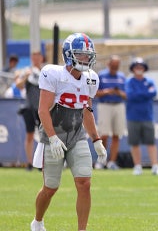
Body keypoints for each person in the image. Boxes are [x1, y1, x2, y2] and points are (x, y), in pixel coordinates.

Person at [30, 33, 107, 231]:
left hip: (76, 135)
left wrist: (96, 139)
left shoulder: (91, 79)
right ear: (69, 55)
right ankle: (37, 221)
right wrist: (53, 138)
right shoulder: (53, 74)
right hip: (52, 134)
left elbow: (87, 109)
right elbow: (42, 110)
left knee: (84, 183)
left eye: (87, 55)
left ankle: (82, 229)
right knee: (50, 187)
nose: (85, 59)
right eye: (80, 55)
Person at [125, 57, 158, 176]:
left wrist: (140, 94)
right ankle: (137, 166)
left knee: (151, 142)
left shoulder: (150, 81)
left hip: (147, 116)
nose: (139, 69)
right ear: (133, 69)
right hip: (133, 116)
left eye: (141, 67)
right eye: (137, 67)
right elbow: (130, 95)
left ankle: (155, 166)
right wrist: (144, 94)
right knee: (134, 143)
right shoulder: (129, 82)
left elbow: (153, 93)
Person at [94, 55, 127, 170]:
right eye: (113, 66)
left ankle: (112, 162)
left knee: (117, 135)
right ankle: (101, 161)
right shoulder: (101, 75)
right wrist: (106, 92)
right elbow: (94, 93)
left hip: (118, 105)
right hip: (105, 105)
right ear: (109, 65)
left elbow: (126, 95)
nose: (114, 68)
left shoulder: (122, 77)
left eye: (116, 66)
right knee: (104, 135)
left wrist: (118, 93)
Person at [16, 51, 45, 171]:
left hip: (42, 107)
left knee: (44, 136)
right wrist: (26, 76)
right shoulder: (27, 71)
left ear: (41, 58)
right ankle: (29, 162)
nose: (36, 59)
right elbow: (18, 85)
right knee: (29, 135)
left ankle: (41, 162)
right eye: (34, 57)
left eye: (38, 57)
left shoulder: (45, 71)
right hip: (29, 107)